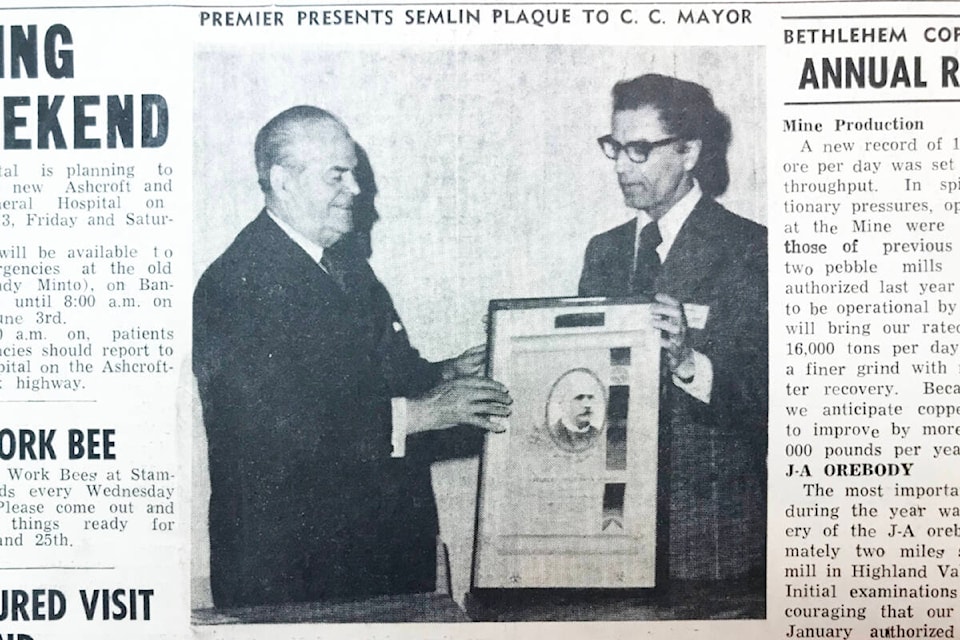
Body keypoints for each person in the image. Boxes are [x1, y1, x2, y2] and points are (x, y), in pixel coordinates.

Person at [193, 105, 511, 608]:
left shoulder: (347, 269)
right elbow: (272, 428)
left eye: (354, 174)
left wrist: (448, 371)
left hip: (381, 561)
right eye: (337, 175)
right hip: (295, 574)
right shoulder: (235, 284)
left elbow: (381, 376)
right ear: (283, 181)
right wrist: (424, 412)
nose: (356, 191)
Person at [579, 74, 767, 592]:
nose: (621, 165)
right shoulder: (603, 252)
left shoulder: (751, 250)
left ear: (688, 152)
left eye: (639, 149)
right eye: (614, 147)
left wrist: (687, 362)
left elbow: (772, 403)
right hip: (613, 529)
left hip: (712, 538)